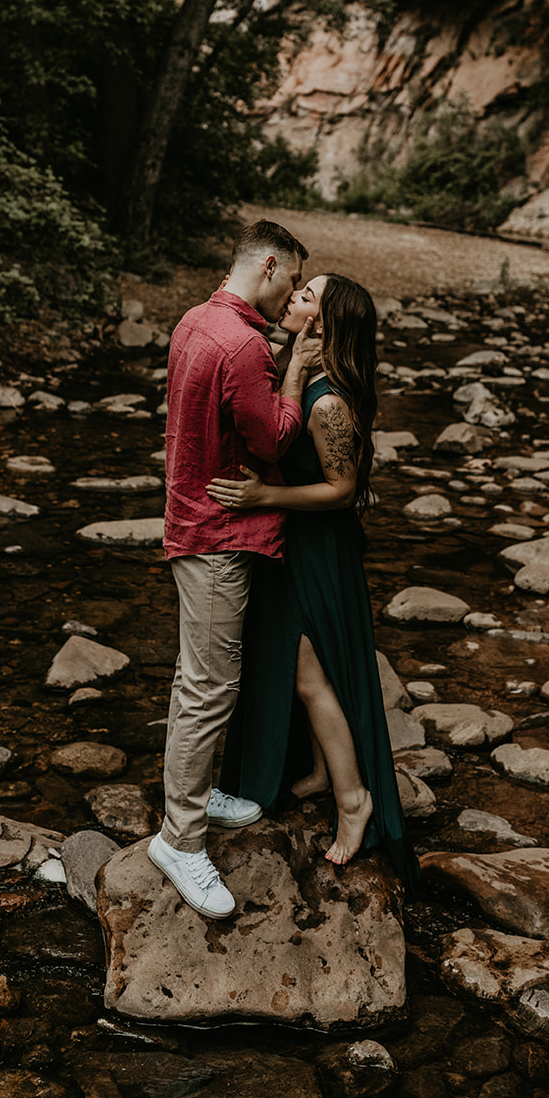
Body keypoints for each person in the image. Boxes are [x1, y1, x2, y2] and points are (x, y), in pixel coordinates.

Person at [207, 273, 419, 894]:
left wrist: (262, 495)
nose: (292, 297)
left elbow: (343, 489)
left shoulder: (330, 403)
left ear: (322, 323)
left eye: (306, 296)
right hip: (292, 542)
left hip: (316, 548)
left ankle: (355, 800)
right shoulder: (298, 366)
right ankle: (325, 773)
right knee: (307, 665)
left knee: (308, 673)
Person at [149, 219, 321, 921]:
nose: (291, 301)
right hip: (218, 535)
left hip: (188, 516)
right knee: (207, 685)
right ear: (273, 266)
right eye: (294, 283)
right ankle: (179, 839)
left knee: (199, 676)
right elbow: (274, 437)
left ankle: (193, 798)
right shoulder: (246, 344)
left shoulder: (196, 319)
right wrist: (300, 367)